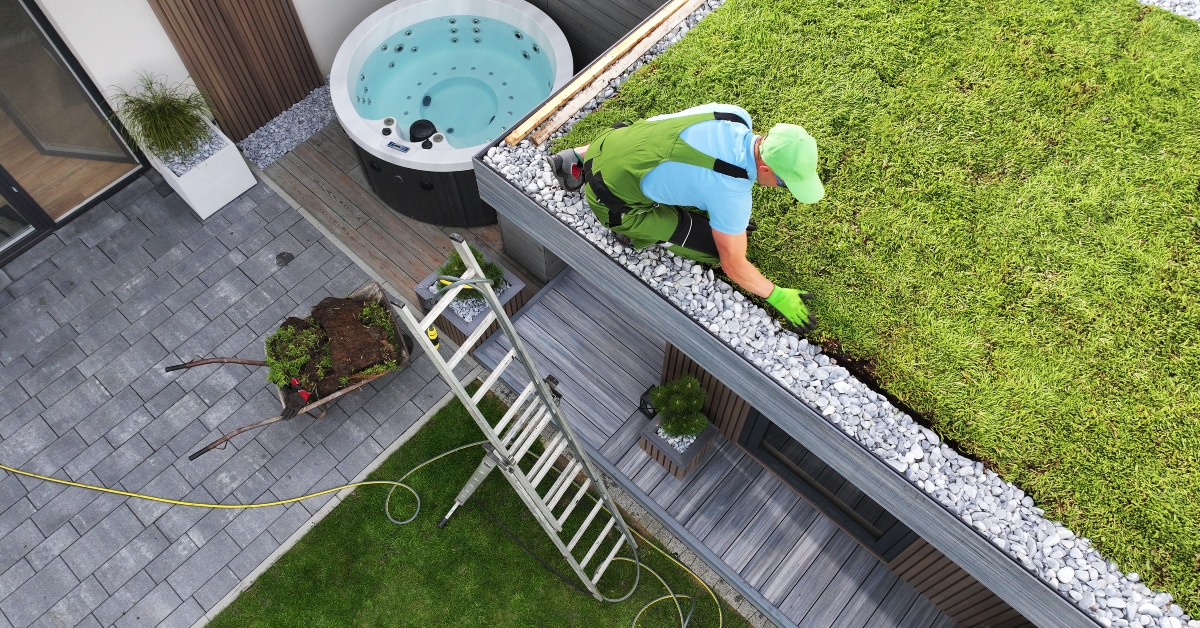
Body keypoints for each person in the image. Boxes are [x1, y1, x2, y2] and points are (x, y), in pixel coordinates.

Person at [547, 103, 825, 331]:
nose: (783, 188)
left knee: (645, 141)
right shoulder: (732, 196)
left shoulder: (734, 115)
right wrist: (777, 295)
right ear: (764, 169)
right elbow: (733, 265)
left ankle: (574, 158)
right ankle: (633, 231)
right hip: (610, 200)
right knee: (714, 248)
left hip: (609, 142)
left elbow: (657, 125)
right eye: (783, 183)